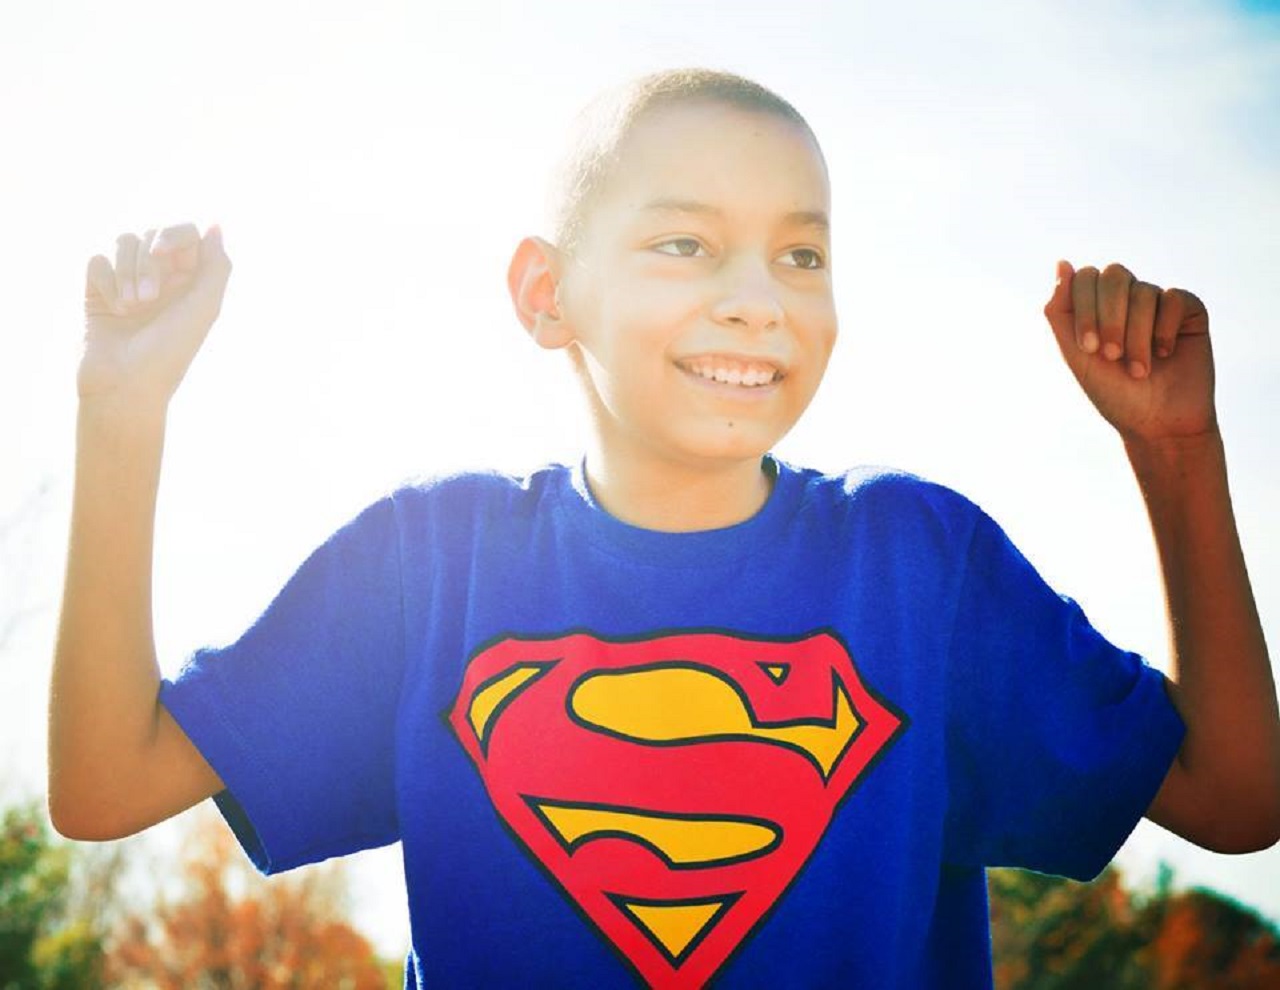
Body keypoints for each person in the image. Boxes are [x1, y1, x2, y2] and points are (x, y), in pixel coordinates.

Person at [49, 68, 1279, 989]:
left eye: (801, 255)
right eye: (684, 243)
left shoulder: (920, 569)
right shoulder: (427, 572)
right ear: (546, 294)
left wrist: (1175, 454)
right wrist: (121, 411)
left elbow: (1233, 802)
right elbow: (106, 787)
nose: (754, 300)